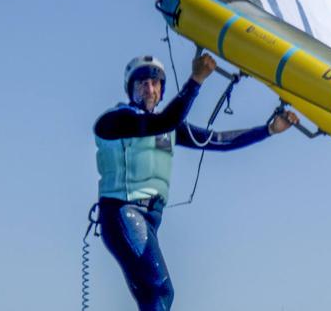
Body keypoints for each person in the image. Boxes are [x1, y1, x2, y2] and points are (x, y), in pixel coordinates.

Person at [93, 53, 298, 311]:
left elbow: (219, 141)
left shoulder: (167, 128)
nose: (150, 87)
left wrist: (268, 130)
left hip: (150, 219)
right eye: (142, 82)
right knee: (160, 289)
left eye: (155, 83)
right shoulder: (115, 120)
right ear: (130, 89)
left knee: (155, 294)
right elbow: (165, 120)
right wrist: (196, 80)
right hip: (122, 212)